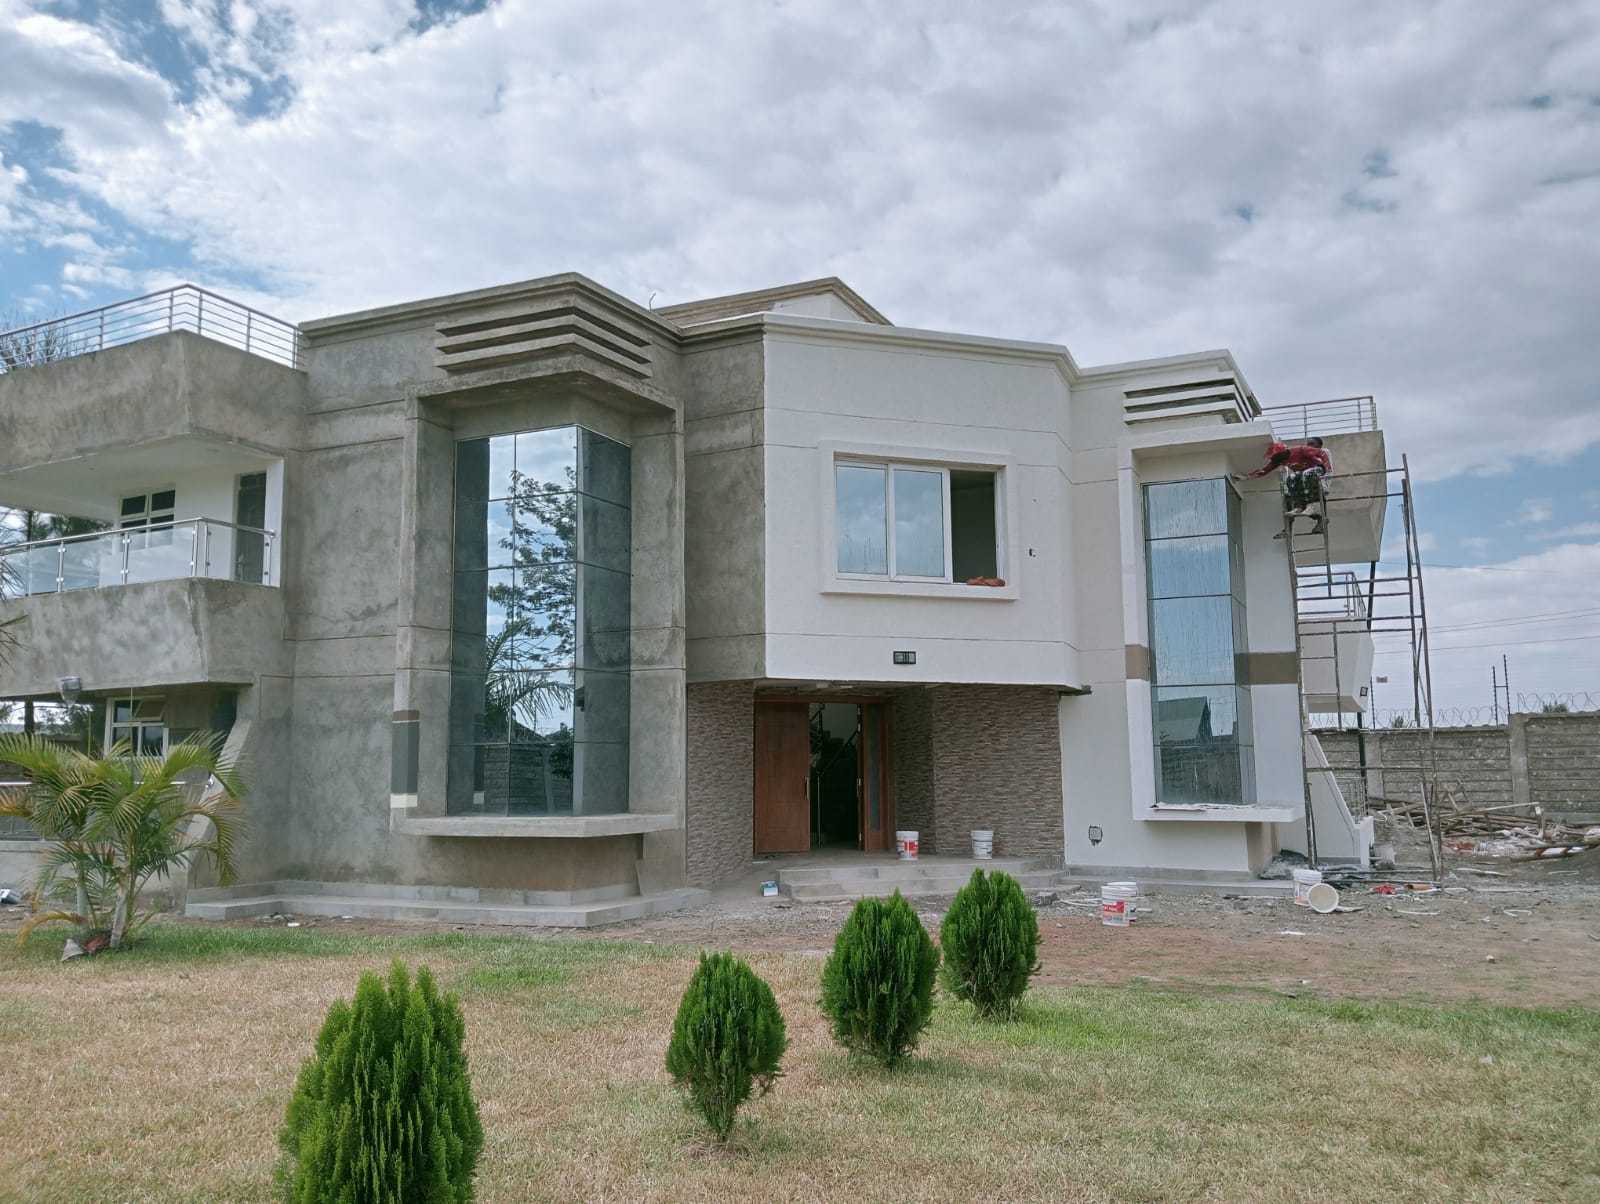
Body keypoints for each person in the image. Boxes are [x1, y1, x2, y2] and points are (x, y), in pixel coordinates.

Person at [1238, 438, 1332, 535]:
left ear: (1281, 453)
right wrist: (1246, 477)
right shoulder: (1280, 459)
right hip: (1303, 480)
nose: (1273, 460)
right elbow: (1265, 470)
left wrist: (1327, 476)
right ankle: (1298, 517)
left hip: (1316, 473)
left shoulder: (1300, 450)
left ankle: (1311, 507)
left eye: (1274, 457)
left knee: (1305, 474)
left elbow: (1323, 454)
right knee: (1289, 487)